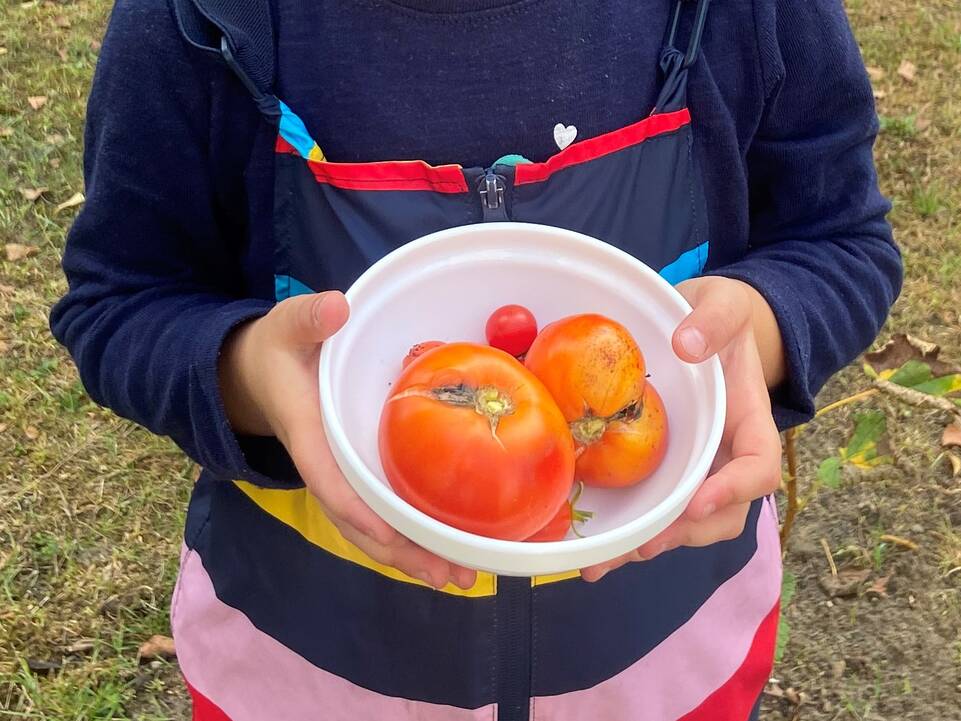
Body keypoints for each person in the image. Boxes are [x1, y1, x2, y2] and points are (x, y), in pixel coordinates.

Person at [50, 0, 902, 718]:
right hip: (307, 669)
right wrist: (245, 373)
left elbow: (839, 240)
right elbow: (120, 300)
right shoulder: (200, 19)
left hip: (670, 666)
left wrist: (750, 332)